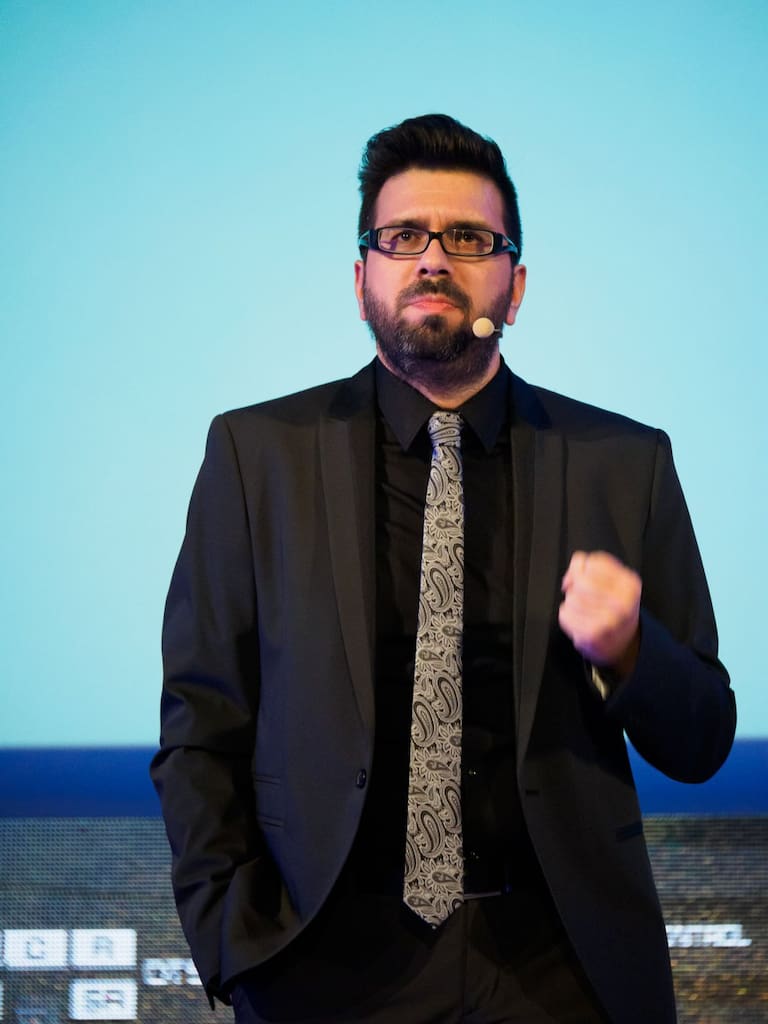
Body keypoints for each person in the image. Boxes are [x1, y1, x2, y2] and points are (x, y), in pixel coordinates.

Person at [150, 114, 736, 1024]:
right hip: (323, 969)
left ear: (516, 284)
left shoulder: (625, 464)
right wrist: (235, 939)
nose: (433, 259)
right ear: (361, 280)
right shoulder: (255, 456)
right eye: (402, 237)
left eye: (468, 238)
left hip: (562, 972)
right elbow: (201, 722)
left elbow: (701, 743)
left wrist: (628, 650)